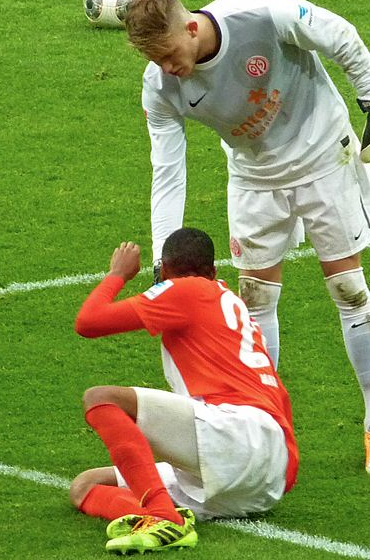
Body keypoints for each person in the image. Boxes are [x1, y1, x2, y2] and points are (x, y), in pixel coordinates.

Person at [120, 0, 370, 474]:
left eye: (169, 55)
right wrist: (165, 262)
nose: (167, 68)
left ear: (191, 28)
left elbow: (339, 35)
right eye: (155, 60)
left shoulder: (261, 14)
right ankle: (266, 427)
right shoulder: (160, 87)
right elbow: (168, 171)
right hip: (254, 177)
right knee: (255, 298)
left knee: (348, 287)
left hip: (322, 155)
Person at [69, 227, 299, 554]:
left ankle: (165, 518)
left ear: (164, 271)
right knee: (85, 485)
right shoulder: (229, 301)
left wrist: (118, 274)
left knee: (100, 399)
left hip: (234, 436)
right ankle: (155, 515)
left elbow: (88, 321)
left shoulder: (184, 290)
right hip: (266, 473)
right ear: (214, 271)